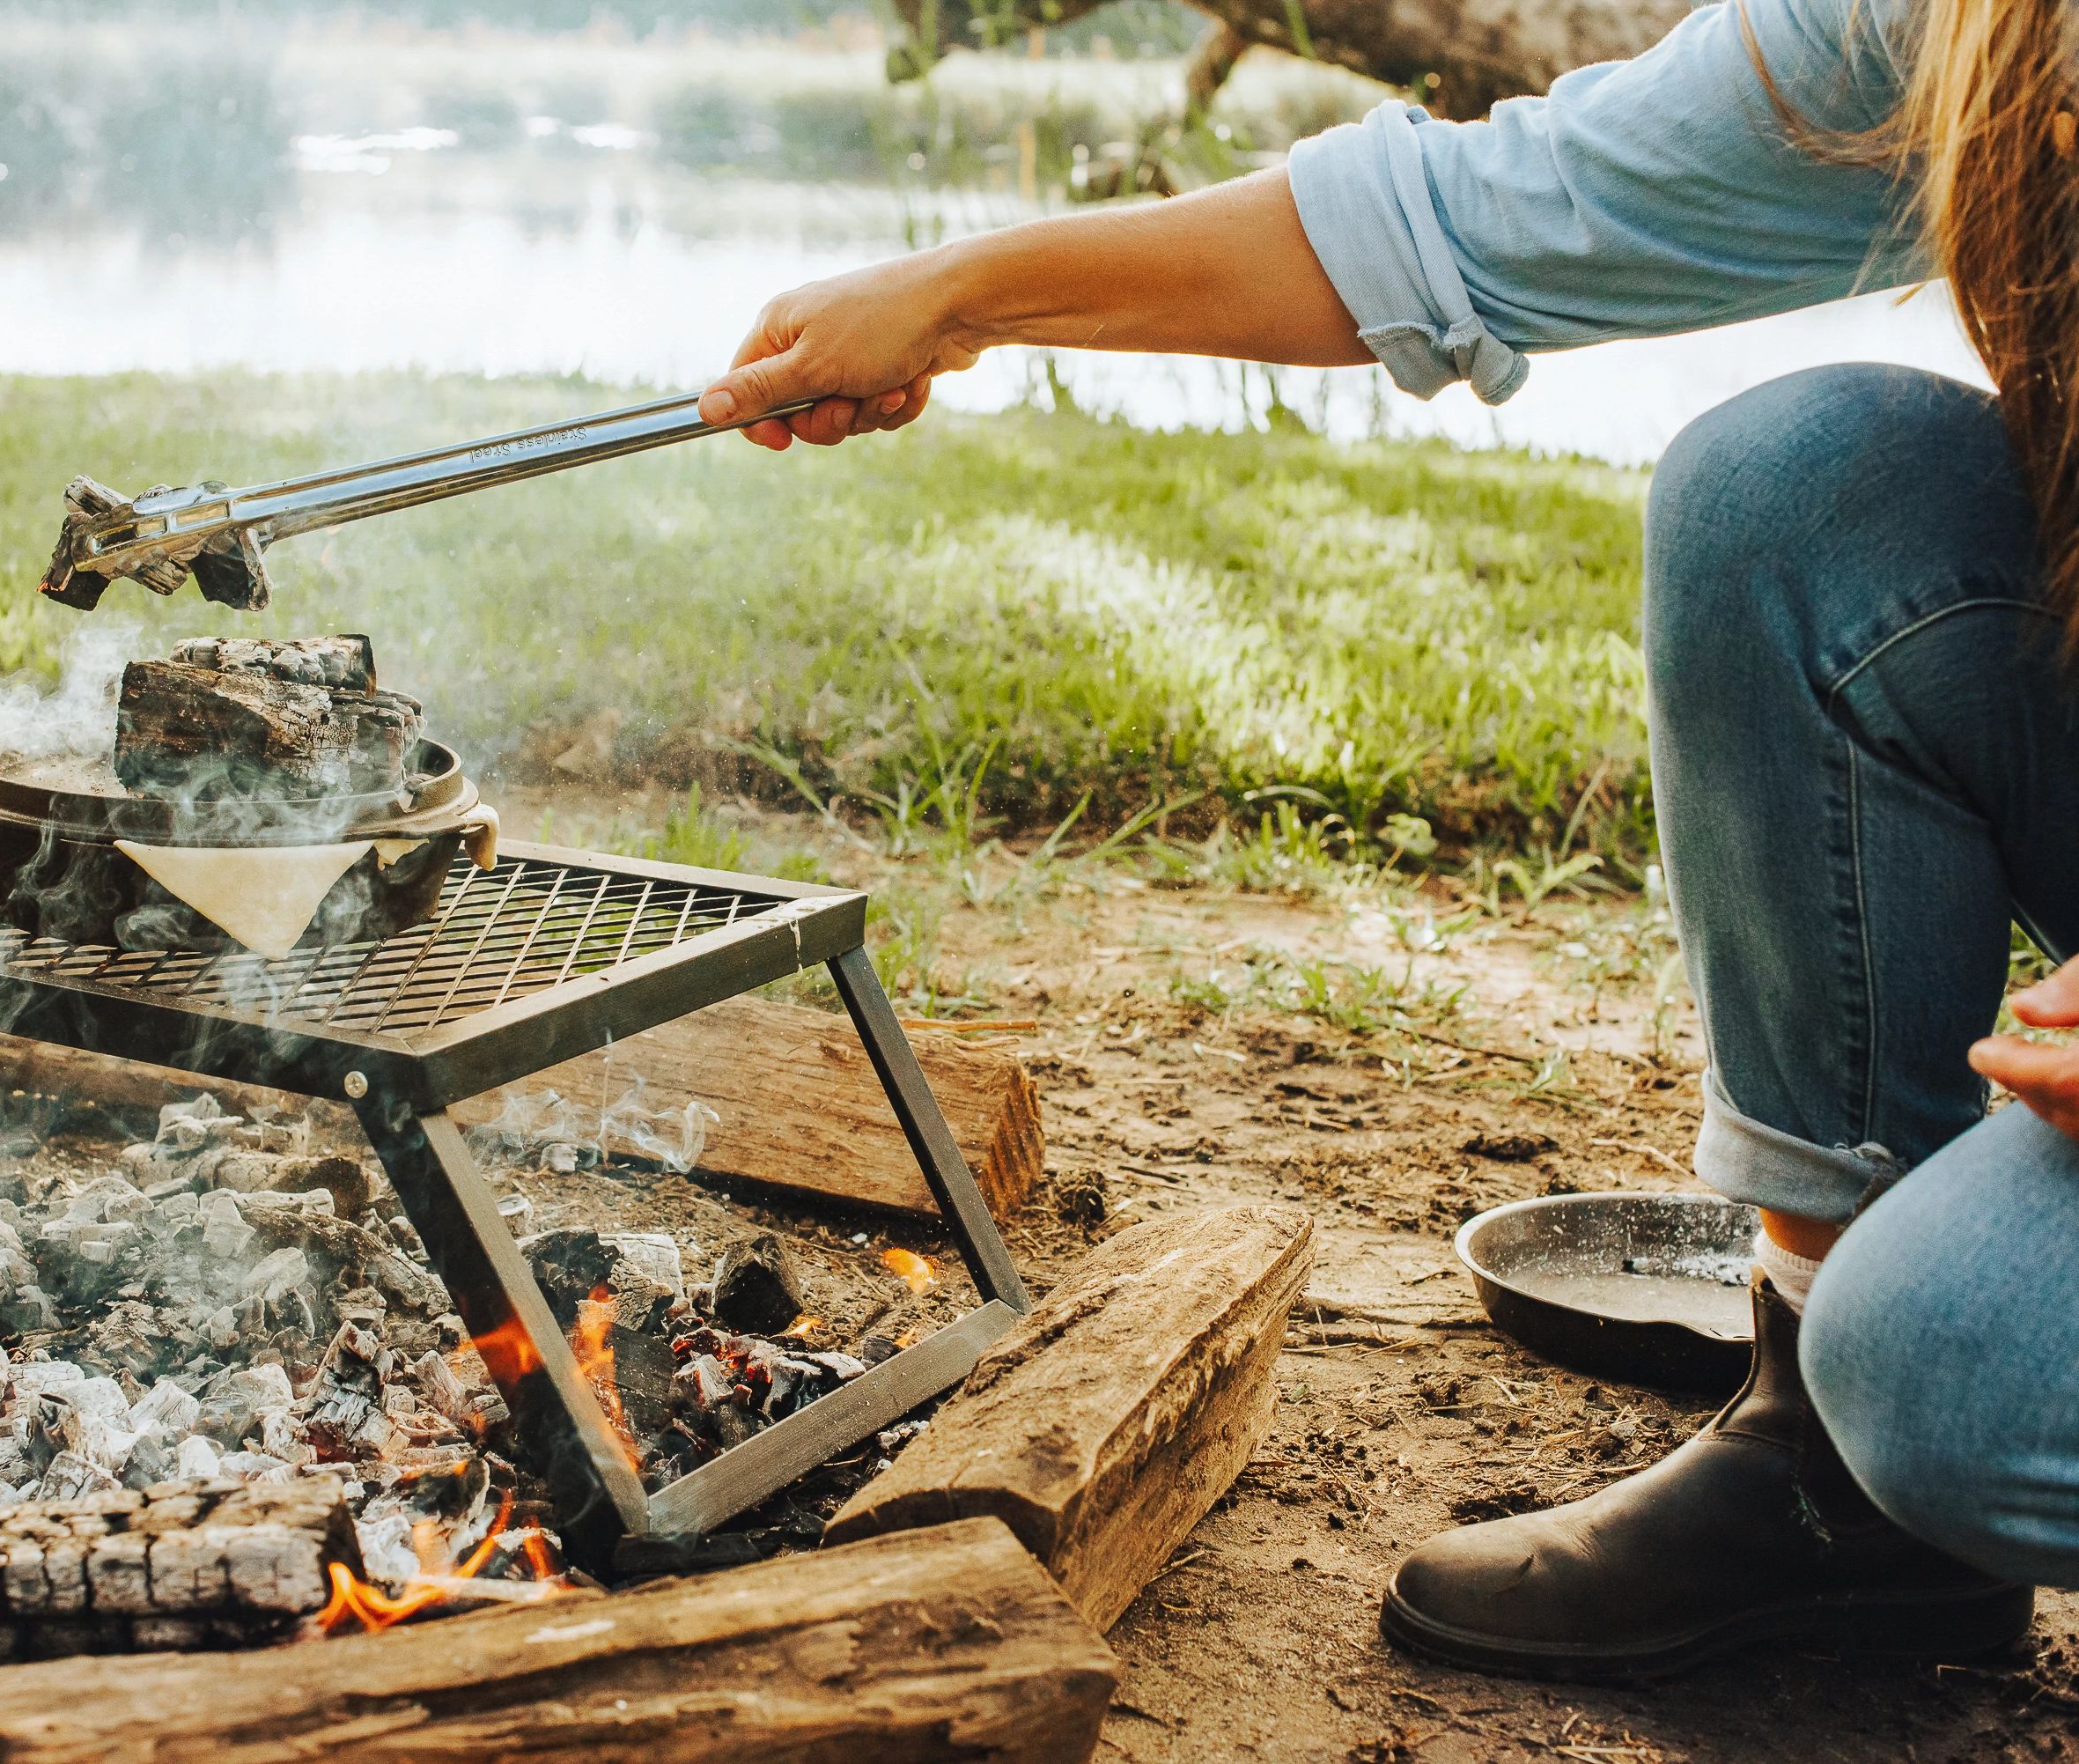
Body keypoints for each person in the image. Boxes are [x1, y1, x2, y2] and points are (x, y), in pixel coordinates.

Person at [698, 0, 2079, 1680]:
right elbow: (1473, 216)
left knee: (1950, 1372)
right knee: (1797, 494)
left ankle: (1893, 1406)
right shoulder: (1960, 24)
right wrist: (952, 294)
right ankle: (1831, 1494)